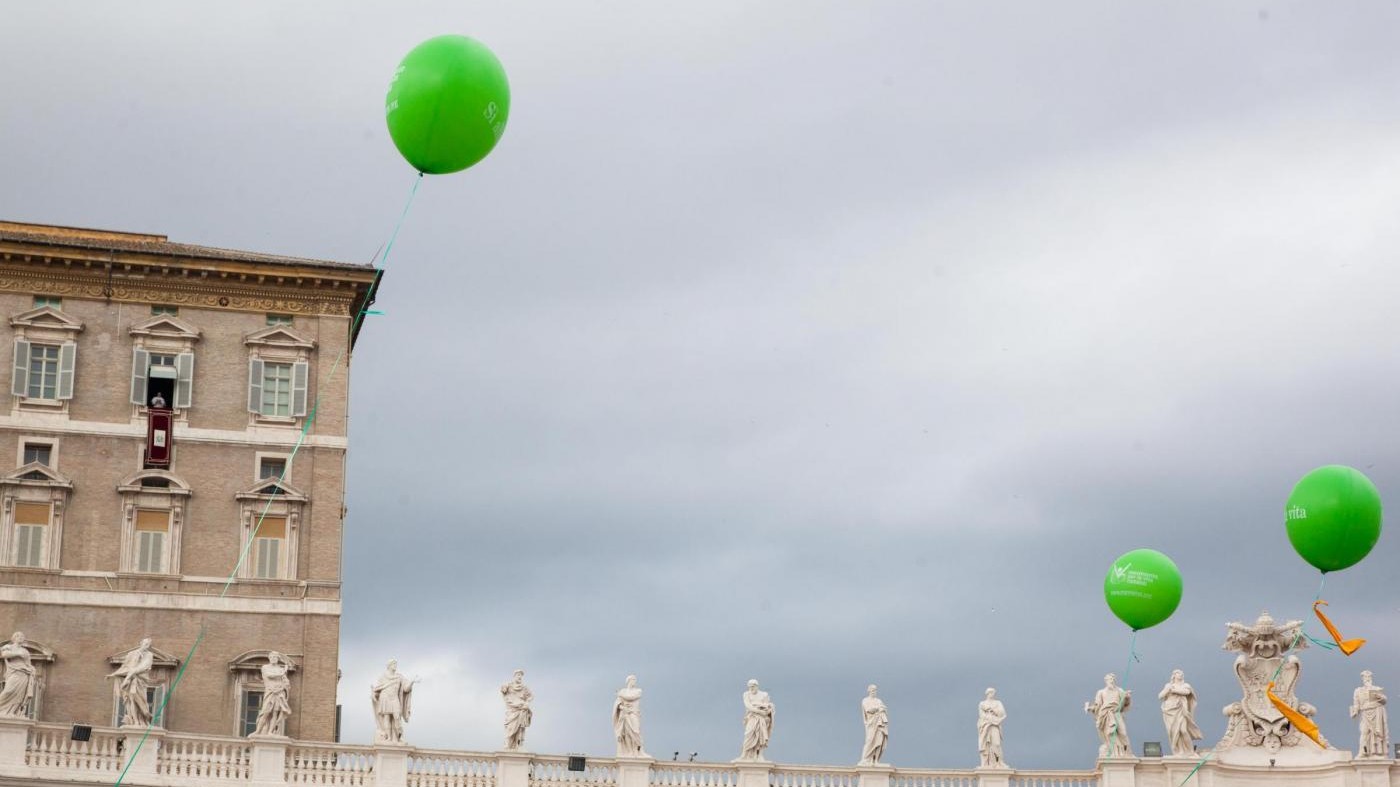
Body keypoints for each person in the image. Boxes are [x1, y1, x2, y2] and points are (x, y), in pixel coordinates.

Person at [108, 637, 155, 727]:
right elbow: (125, 667)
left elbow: (144, 666)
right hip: (132, 682)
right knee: (132, 701)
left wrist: (129, 676)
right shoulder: (132, 654)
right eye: (145, 644)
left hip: (141, 681)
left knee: (142, 700)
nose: (146, 646)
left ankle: (144, 717)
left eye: (148, 645)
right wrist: (113, 674)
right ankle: (135, 721)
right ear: (141, 643)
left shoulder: (149, 655)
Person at [1084, 673, 1131, 758]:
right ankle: (1115, 753)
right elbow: (1097, 705)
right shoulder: (1101, 692)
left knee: (1123, 733)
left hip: (1116, 714)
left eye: (1113, 679)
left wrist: (1127, 697)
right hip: (1105, 714)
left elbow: (1125, 704)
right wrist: (1090, 708)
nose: (1112, 680)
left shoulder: (1119, 690)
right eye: (1110, 679)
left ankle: (1126, 752)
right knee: (1111, 734)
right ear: (1106, 681)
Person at [370, 659, 416, 743]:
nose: (395, 665)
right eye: (394, 664)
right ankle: (388, 738)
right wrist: (374, 694)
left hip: (395, 698)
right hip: (385, 697)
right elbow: (377, 688)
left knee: (397, 717)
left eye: (396, 664)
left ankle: (400, 736)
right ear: (389, 665)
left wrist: (412, 682)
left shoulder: (399, 677)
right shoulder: (383, 676)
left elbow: (406, 688)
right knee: (386, 717)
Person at [1158, 670, 1202, 756]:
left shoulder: (1185, 685)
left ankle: (1190, 751)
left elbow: (1187, 692)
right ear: (1174, 675)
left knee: (1183, 730)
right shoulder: (1168, 685)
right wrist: (1167, 690)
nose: (1181, 675)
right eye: (1178, 673)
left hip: (1181, 710)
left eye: (1182, 674)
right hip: (1170, 710)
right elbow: (1160, 696)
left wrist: (1174, 691)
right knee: (1173, 732)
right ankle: (1179, 750)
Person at [1351, 670, 1389, 758]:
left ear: (1371, 678)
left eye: (1369, 677)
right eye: (1365, 677)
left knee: (1377, 734)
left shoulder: (1376, 689)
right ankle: (1363, 752)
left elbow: (1384, 700)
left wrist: (1380, 697)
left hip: (1376, 712)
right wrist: (1355, 712)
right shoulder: (1358, 691)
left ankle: (1376, 753)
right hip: (1365, 713)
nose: (1367, 679)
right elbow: (1356, 704)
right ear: (1362, 678)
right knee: (1364, 732)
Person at [253, 651, 292, 737]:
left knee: (275, 713)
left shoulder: (280, 669)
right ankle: (258, 731)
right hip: (270, 691)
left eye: (275, 657)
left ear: (278, 659)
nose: (274, 659)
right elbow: (270, 676)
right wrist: (283, 671)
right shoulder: (265, 667)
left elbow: (285, 681)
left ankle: (271, 731)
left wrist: (285, 685)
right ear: (269, 658)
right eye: (272, 657)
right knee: (266, 712)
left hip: (279, 692)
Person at [0, 632, 35, 718]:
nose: (21, 638)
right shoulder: (8, 647)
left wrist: (32, 669)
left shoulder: (25, 651)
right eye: (19, 636)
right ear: (14, 638)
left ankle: (12, 712)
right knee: (8, 691)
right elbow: (4, 655)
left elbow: (28, 663)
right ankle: (2, 709)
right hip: (14, 672)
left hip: (24, 674)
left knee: (19, 695)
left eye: (23, 637)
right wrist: (17, 654)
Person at [740, 679, 775, 760]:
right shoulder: (746, 694)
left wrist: (758, 706)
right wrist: (759, 710)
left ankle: (759, 755)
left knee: (761, 735)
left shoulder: (764, 695)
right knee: (749, 733)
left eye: (752, 687)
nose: (751, 689)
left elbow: (767, 707)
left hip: (762, 719)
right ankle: (745, 753)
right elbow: (748, 706)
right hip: (752, 717)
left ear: (756, 686)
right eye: (749, 687)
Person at [612, 675, 645, 756]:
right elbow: (618, 703)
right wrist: (622, 707)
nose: (635, 682)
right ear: (629, 681)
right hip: (625, 714)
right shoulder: (623, 691)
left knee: (636, 731)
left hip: (634, 713)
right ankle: (629, 751)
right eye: (633, 680)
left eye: (635, 680)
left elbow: (632, 697)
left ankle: (639, 750)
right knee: (626, 733)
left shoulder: (638, 691)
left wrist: (620, 694)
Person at [502, 669, 533, 750]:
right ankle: (508, 745)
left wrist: (527, 703)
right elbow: (503, 691)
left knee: (520, 728)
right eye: (518, 675)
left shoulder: (524, 688)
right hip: (512, 709)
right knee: (511, 727)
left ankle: (518, 745)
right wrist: (504, 688)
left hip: (521, 709)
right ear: (514, 676)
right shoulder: (509, 685)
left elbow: (531, 696)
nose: (520, 677)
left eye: (521, 676)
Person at [859, 684, 888, 765]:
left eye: (875, 690)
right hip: (871, 723)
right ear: (868, 690)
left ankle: (875, 761)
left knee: (879, 741)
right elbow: (868, 710)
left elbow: (884, 709)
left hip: (880, 723)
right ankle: (865, 759)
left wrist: (879, 709)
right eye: (872, 690)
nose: (873, 691)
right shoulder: (865, 700)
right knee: (870, 740)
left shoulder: (878, 701)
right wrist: (878, 708)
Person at [977, 688, 1006, 767]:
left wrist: (993, 710)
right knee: (986, 745)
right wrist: (989, 719)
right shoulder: (982, 704)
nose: (993, 694)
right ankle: (986, 763)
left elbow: (1002, 713)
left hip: (995, 725)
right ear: (988, 693)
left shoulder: (998, 703)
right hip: (986, 725)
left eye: (993, 693)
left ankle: (997, 762)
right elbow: (981, 715)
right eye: (991, 693)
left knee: (996, 744)